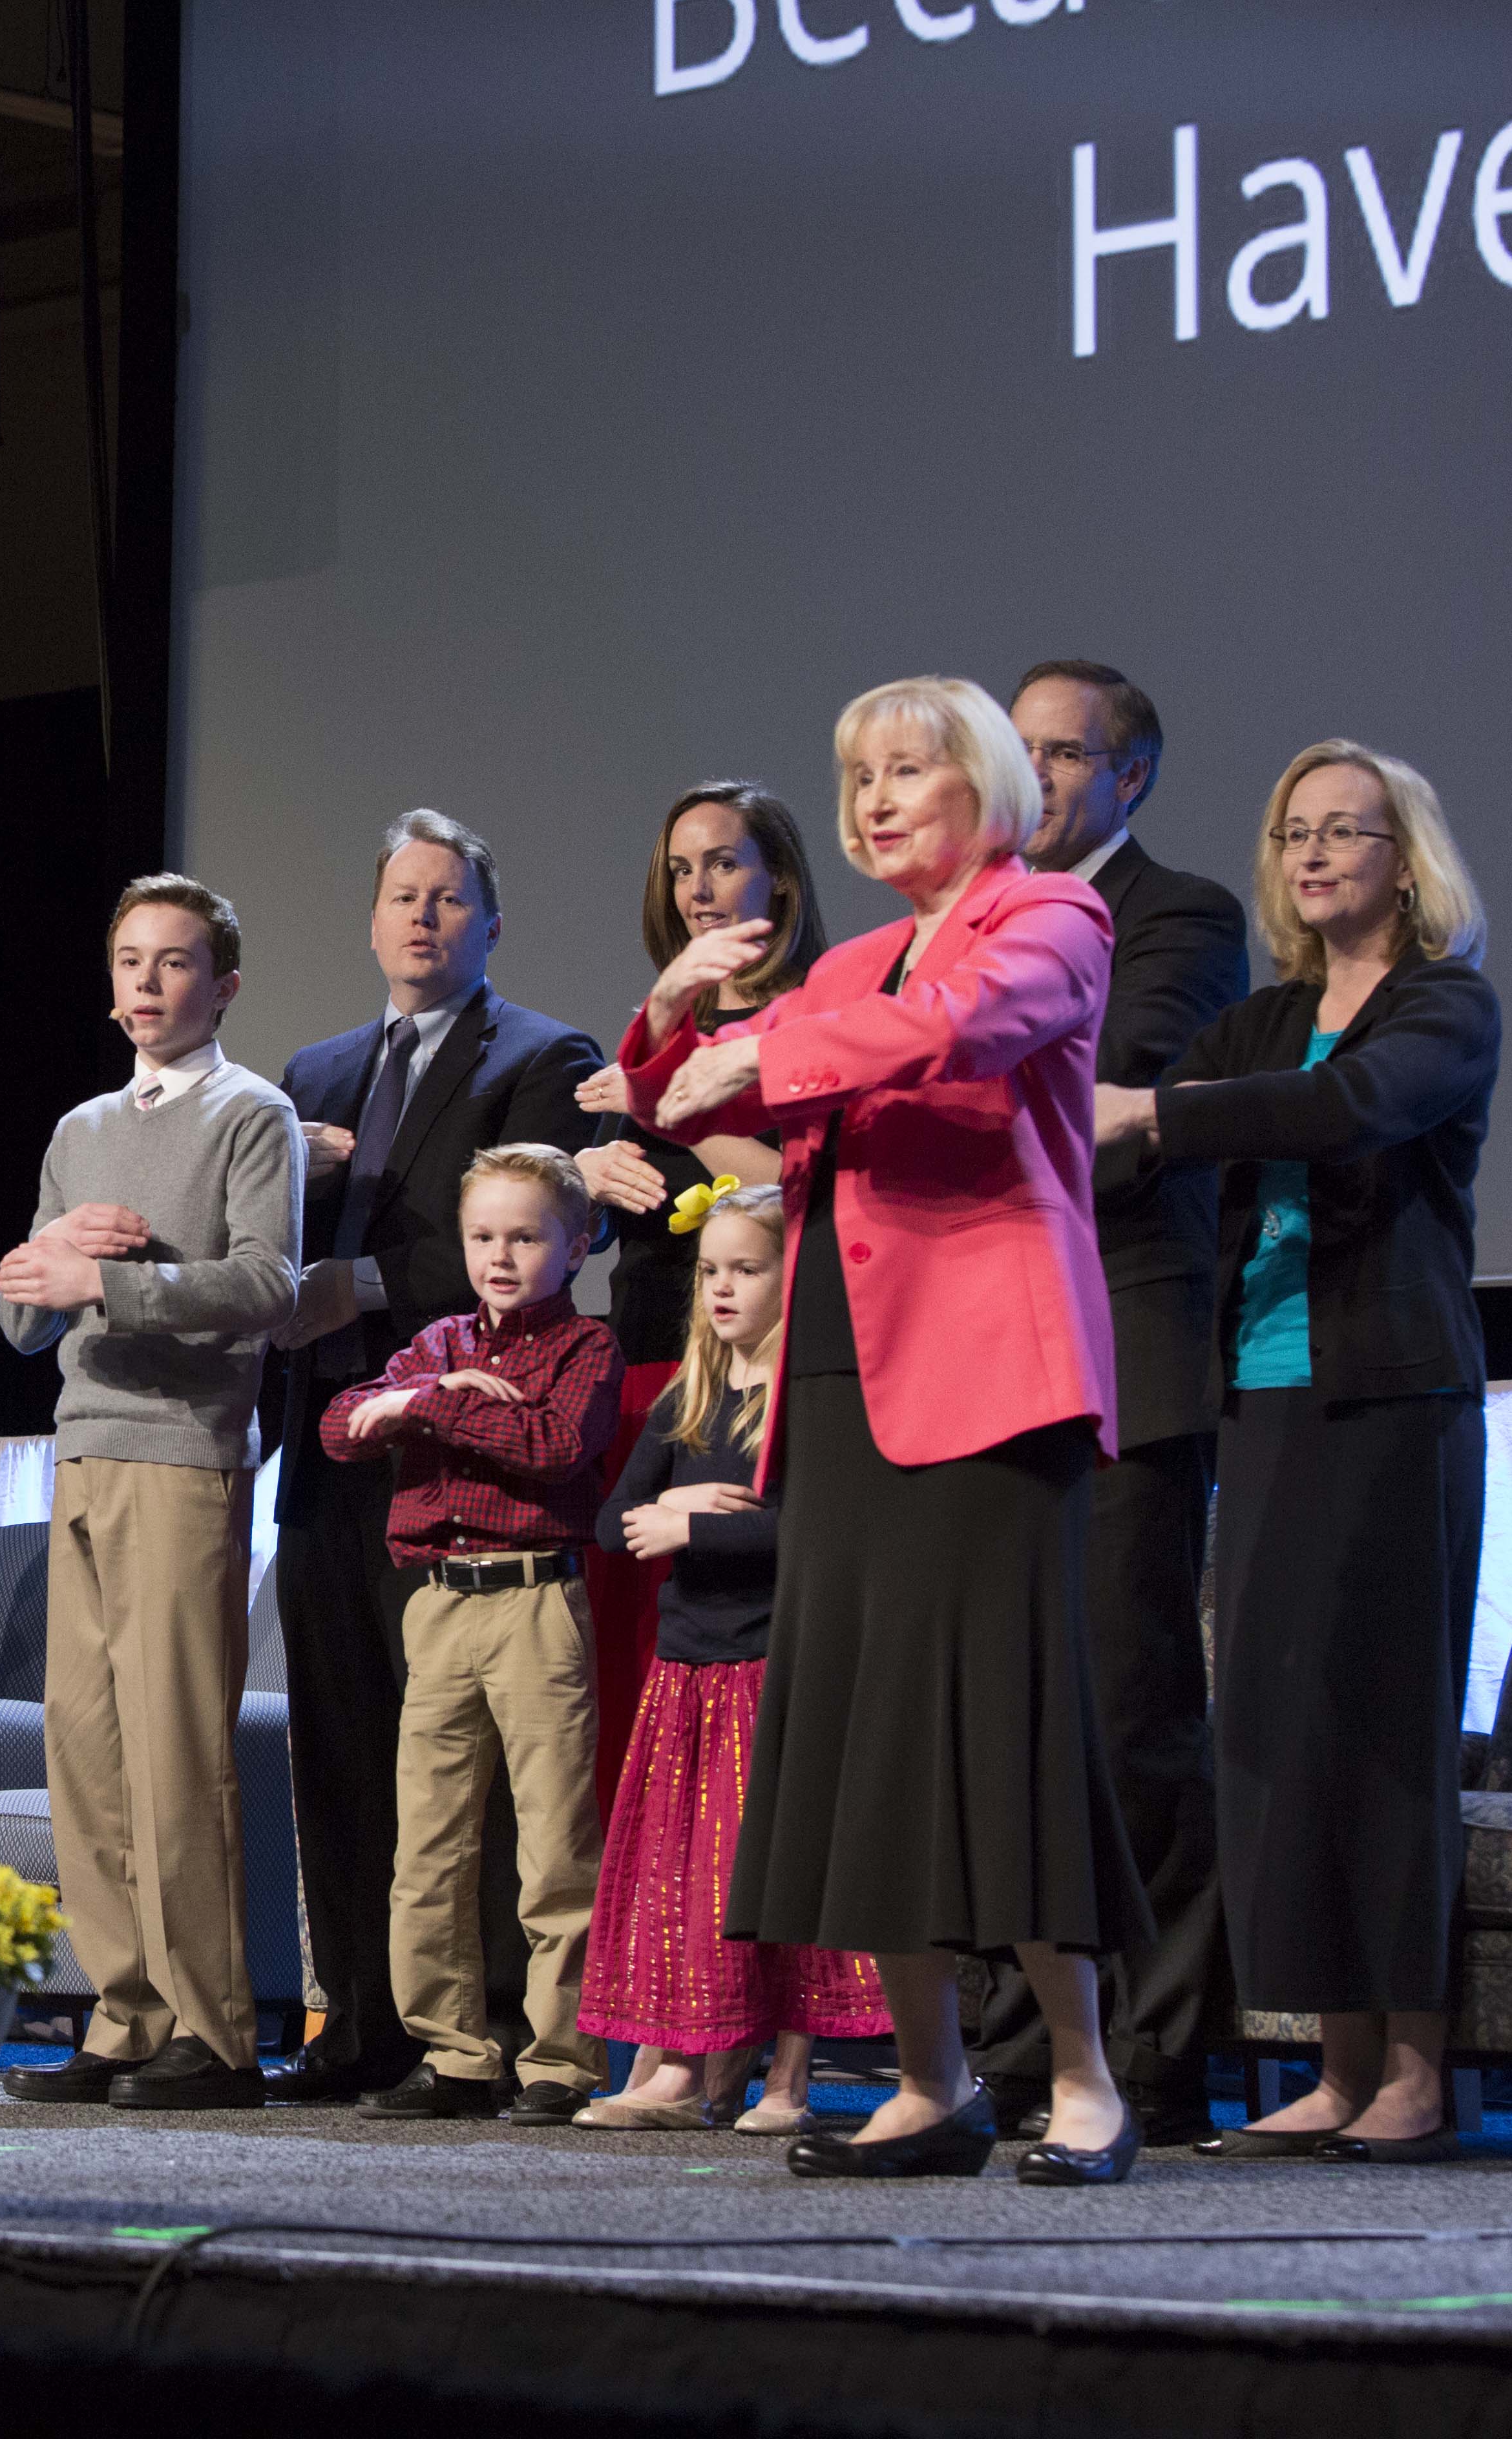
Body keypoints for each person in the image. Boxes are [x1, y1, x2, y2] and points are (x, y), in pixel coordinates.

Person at [620, 673, 1153, 2188]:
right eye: (855, 773)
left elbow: (964, 1030)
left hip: (990, 1381)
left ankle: (1079, 2077)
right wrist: (666, 1024)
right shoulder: (853, 955)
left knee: (998, 1726)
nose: (870, 799)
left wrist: (765, 1055)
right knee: (861, 1733)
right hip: (843, 1385)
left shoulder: (1046, 916)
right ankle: (927, 2080)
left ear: (978, 784)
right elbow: (692, 1100)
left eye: (903, 770)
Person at [1096, 740, 1496, 2164]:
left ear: (1405, 857)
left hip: (1392, 1405)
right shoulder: (1259, 1021)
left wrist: (1158, 1113)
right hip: (1260, 1409)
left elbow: (1349, 1112)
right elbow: (1122, 1136)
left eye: (1347, 832)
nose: (1316, 854)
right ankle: (1331, 2066)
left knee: (1380, 1734)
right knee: (1275, 1734)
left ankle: (1414, 2073)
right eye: (1296, 834)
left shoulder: (1443, 1006)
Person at [268, 812, 604, 2106]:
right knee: (346, 1751)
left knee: (495, 1778)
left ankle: (509, 2042)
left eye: (450, 900)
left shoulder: (540, 1057)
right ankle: (359, 2022)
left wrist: (351, 1286)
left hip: (475, 1464)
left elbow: (527, 1240)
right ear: (371, 921)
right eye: (404, 897)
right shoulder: (312, 1069)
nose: (423, 918)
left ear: (489, 924)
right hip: (329, 1446)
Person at [965, 661, 1249, 2148]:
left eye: (1064, 753)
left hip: (1121, 1348)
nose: (1036, 776)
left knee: (1129, 1710)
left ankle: (1154, 2046)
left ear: (1127, 776)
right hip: (981, 1360)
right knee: (1009, 1717)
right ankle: (1019, 2042)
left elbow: (1106, 1089)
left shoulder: (1178, 914)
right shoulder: (967, 917)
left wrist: (931, 1078)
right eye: (1016, 751)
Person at [0, 877, 303, 2114]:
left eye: (175, 964)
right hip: (80, 1445)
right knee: (88, 1749)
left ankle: (215, 2034)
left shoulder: (252, 1112)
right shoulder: (79, 1129)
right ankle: (122, 2015)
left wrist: (120, 1280)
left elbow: (267, 1286)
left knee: (178, 1753)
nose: (148, 985)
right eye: (131, 961)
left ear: (221, 984)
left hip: (184, 1450)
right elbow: (23, 1311)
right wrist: (57, 1270)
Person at [572, 1184, 889, 2133]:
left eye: (746, 1271)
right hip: (686, 1672)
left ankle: (786, 2079)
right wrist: (691, 1513)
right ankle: (671, 2066)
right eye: (710, 1271)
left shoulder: (810, 1400)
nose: (721, 1289)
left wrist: (694, 1527)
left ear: (794, 1279)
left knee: (772, 1871)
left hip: (772, 1669)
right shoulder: (689, 1396)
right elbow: (610, 1520)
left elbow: (821, 1533)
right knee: (679, 1876)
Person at [317, 1143, 619, 2122]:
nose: (500, 1256)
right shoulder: (441, 1341)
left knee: (553, 1845)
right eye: (483, 1236)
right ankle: (454, 2053)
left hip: (536, 1603)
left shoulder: (587, 1350)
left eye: (526, 1237)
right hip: (440, 1605)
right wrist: (425, 1398)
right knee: (431, 1844)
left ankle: (560, 2060)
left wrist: (426, 1412)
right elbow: (338, 1427)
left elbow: (554, 1444)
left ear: (574, 1248)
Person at [571, 783, 825, 1817]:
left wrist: (663, 1103)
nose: (699, 888)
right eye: (681, 868)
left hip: (767, 1381)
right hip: (649, 1368)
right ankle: (652, 1931)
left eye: (723, 862)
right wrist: (578, 1179)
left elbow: (802, 1188)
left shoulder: (810, 1017)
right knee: (637, 1671)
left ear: (781, 880)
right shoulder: (654, 1028)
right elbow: (581, 1230)